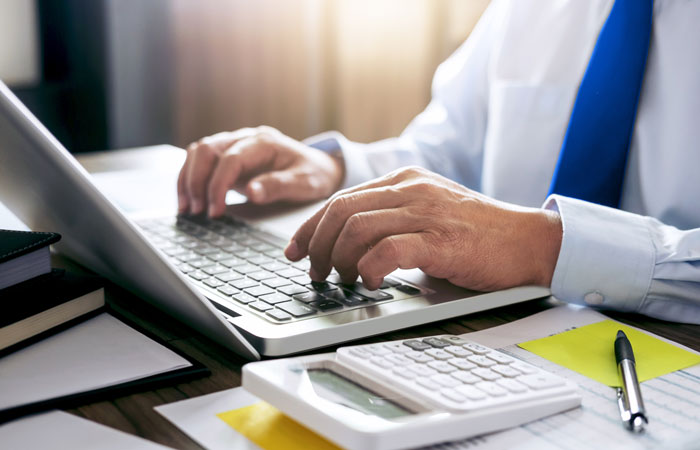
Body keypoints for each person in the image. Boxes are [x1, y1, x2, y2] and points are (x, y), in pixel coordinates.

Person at [176, 0, 700, 324]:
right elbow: (447, 154)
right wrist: (336, 168)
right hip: (501, 331)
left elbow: (504, 227)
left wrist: (546, 244)